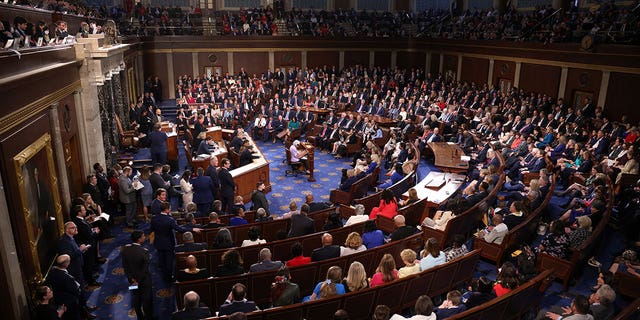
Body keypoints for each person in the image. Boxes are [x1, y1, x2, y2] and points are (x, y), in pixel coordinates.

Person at [150, 201, 201, 282]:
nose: (170, 209)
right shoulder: (170, 219)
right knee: (169, 262)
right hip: (168, 243)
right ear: (167, 209)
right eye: (170, 208)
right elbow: (180, 230)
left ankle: (163, 276)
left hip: (158, 242)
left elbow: (151, 229)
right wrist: (192, 229)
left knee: (161, 260)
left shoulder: (154, 218)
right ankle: (169, 278)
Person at [121, 230, 153, 320]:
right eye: (143, 236)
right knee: (147, 300)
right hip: (144, 281)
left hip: (132, 281)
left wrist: (131, 279)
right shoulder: (144, 252)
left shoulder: (125, 250)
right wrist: (138, 280)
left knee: (136, 297)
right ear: (139, 239)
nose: (144, 237)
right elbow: (144, 270)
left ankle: (140, 317)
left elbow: (125, 267)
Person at [45, 255, 87, 320]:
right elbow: (76, 291)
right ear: (67, 264)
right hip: (70, 302)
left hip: (58, 300)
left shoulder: (52, 271)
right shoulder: (68, 278)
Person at [57, 222, 87, 288]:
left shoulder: (70, 237)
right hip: (73, 268)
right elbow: (68, 256)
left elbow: (74, 250)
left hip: (78, 266)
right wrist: (80, 250)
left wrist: (81, 249)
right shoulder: (64, 241)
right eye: (73, 228)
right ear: (67, 230)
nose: (76, 229)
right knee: (79, 287)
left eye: (76, 227)